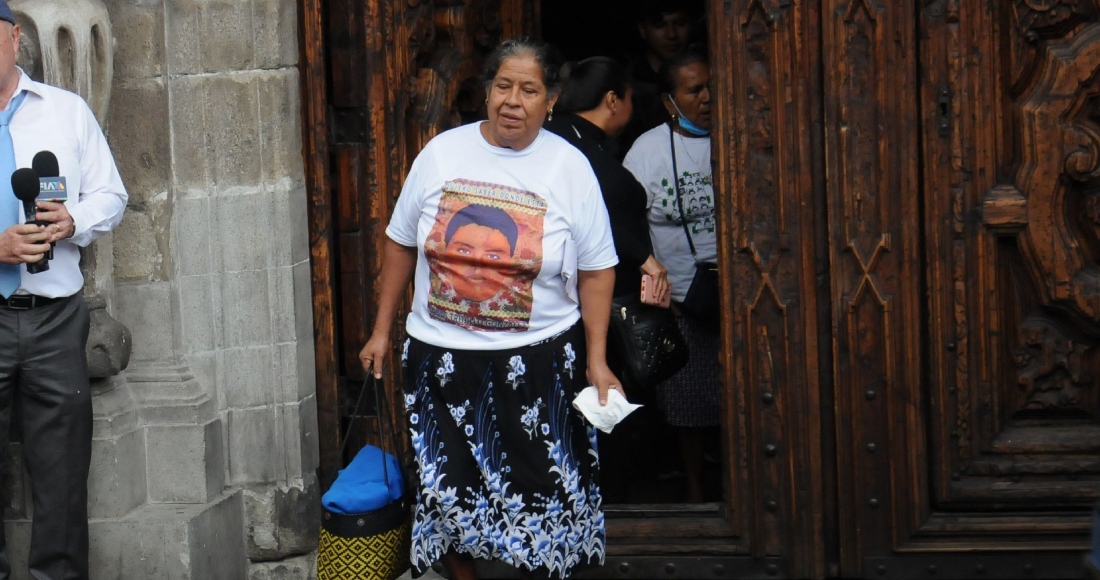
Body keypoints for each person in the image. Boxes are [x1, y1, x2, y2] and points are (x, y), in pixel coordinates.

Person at [359, 37, 621, 580]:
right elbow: (401, 241)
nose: (512, 101)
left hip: (539, 366)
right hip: (444, 362)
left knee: (544, 495)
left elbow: (597, 271)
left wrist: (596, 359)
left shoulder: (569, 167)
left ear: (551, 100)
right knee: (448, 492)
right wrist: (382, 329)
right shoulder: (441, 153)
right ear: (486, 92)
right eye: (503, 85)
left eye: (529, 90)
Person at [0, 1, 128, 577]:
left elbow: (112, 195)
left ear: (14, 37)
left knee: (62, 474)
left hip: (55, 319)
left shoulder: (66, 112)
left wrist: (73, 220)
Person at [623, 52, 717, 503]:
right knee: (688, 407)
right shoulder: (647, 151)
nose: (708, 97)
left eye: (710, 86)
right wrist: (661, 292)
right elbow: (626, 229)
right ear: (669, 101)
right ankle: (697, 493)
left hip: (750, 296)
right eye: (694, 90)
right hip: (681, 300)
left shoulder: (742, 134)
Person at [616, 0, 696, 157]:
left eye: (680, 23)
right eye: (660, 25)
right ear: (643, 30)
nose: (672, 34)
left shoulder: (709, 75)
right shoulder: (628, 84)